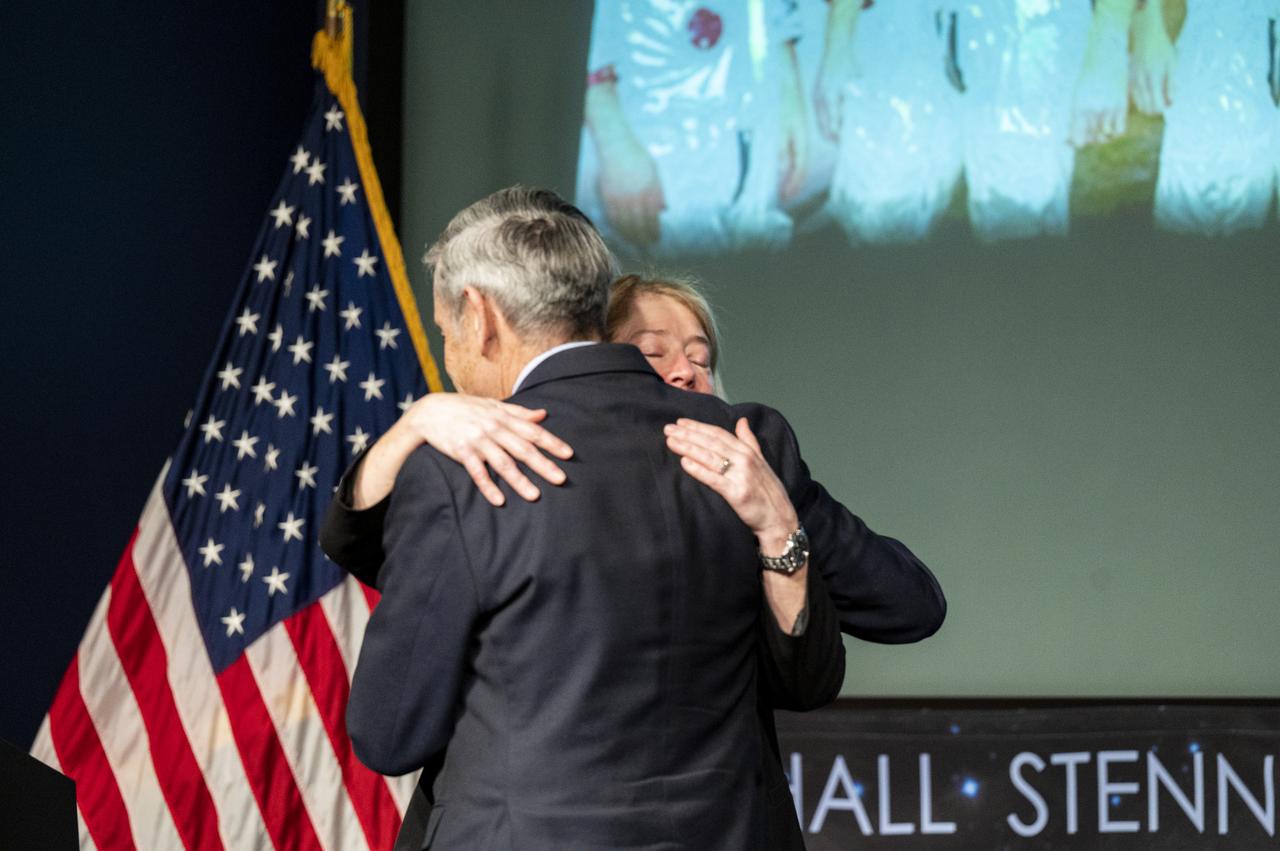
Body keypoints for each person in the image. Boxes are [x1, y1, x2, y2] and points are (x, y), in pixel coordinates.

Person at [326, 272, 945, 849]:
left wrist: (781, 523)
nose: (683, 372)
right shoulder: (513, 462)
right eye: (653, 353)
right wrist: (416, 424)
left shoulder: (753, 460)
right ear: (601, 365)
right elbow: (374, 552)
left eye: (701, 359)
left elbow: (907, 608)